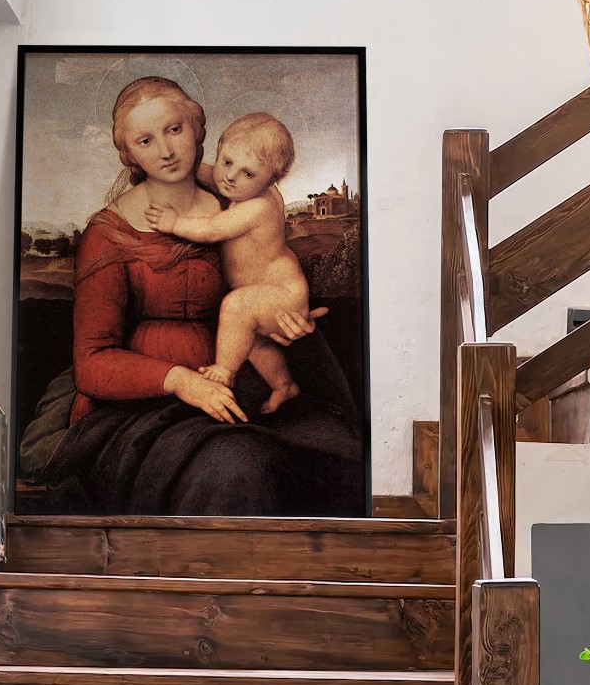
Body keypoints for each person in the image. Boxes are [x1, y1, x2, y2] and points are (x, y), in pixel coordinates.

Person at [19, 75, 365, 516]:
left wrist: (283, 325)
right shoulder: (107, 234)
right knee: (236, 466)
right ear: (129, 153)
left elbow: (258, 289)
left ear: (199, 132)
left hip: (239, 383)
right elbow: (92, 362)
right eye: (146, 140)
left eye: (175, 129)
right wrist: (184, 381)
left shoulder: (235, 206)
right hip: (141, 407)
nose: (166, 150)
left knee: (334, 451)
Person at [143, 112, 307, 414]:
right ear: (220, 151)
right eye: (227, 161)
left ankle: (225, 371)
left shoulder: (258, 207)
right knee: (252, 343)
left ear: (271, 180)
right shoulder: (245, 189)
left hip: (284, 294)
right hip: (275, 291)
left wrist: (174, 222)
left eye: (248, 173)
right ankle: (284, 385)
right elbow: (212, 175)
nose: (230, 176)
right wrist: (185, 165)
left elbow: (212, 229)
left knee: (236, 307)